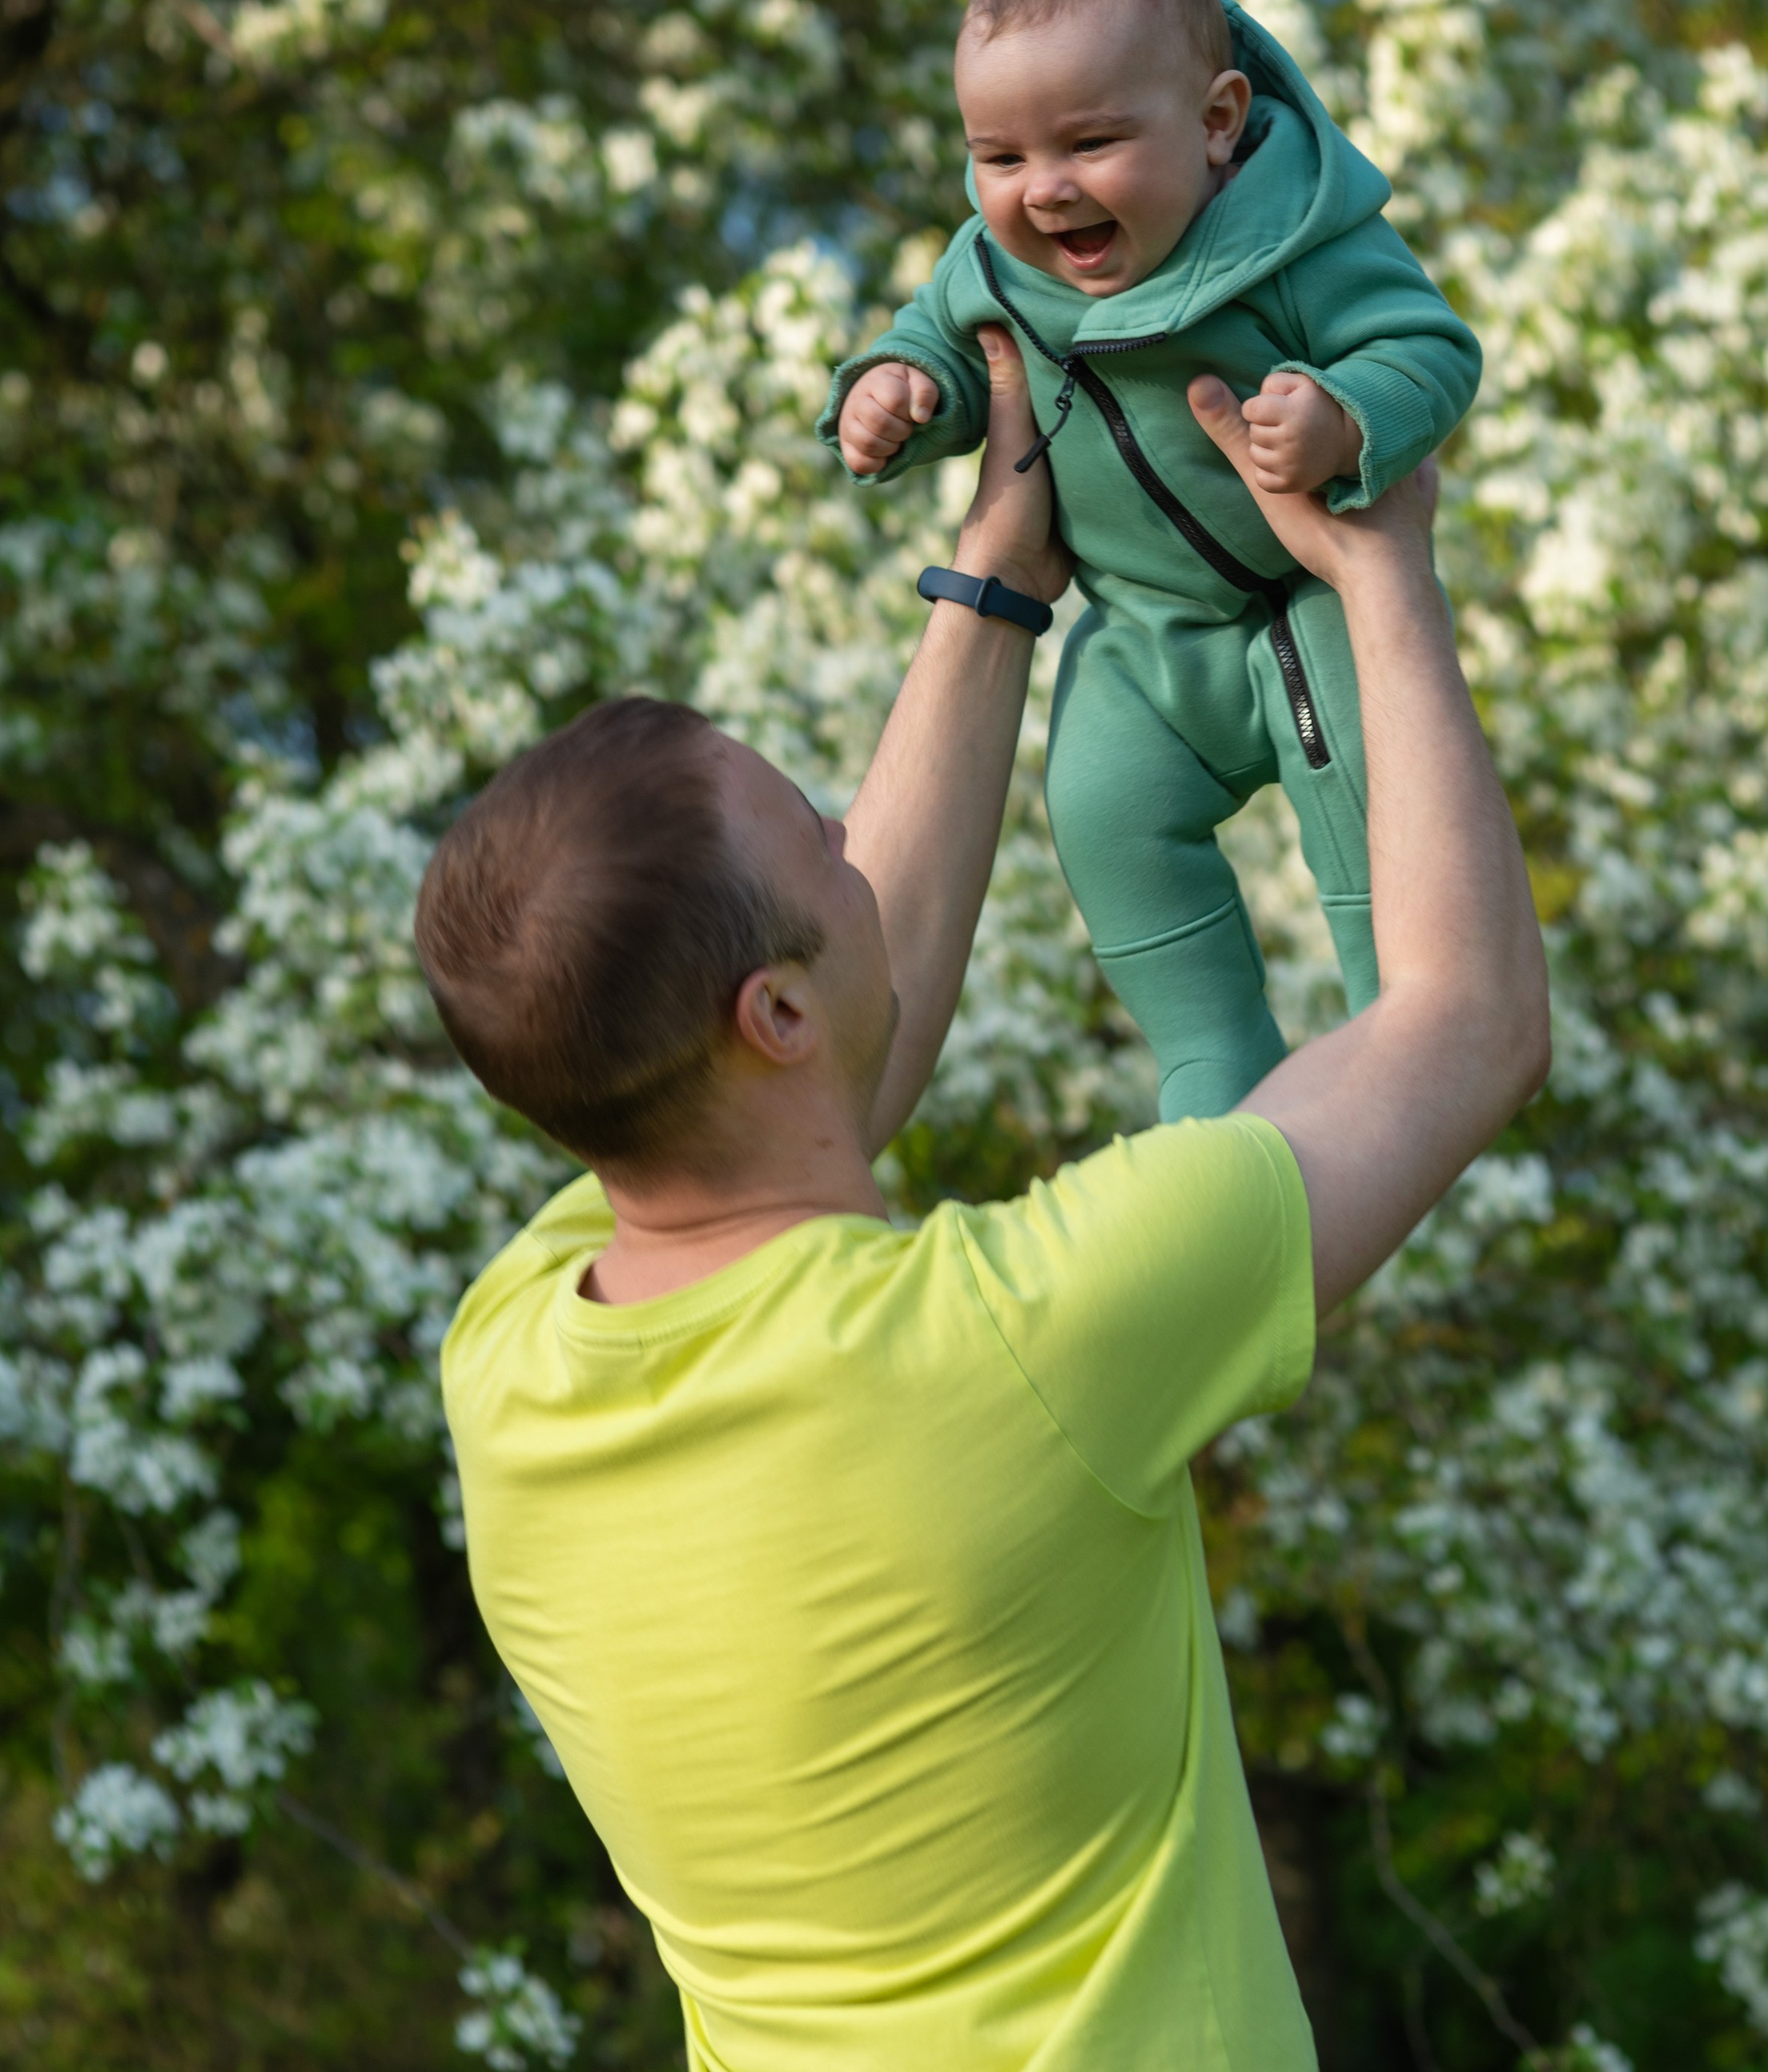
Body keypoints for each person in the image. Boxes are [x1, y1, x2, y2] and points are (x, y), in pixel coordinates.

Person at [425, 330, 1548, 2072]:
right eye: (814, 825)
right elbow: (1465, 1027)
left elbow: (826, 1088)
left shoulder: (512, 1364)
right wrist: (1380, 568)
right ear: (771, 1012)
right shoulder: (1022, 1344)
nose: (843, 831)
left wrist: (994, 578)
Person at [820, 0, 1482, 1117]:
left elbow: (1428, 347)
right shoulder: (993, 266)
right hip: (1138, 633)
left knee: (1370, 798)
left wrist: (1342, 414)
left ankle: (1406, 1031)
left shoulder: (1297, 235)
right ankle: (1211, 1056)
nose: (1044, 192)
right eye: (1001, 158)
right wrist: (894, 390)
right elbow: (939, 346)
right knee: (1101, 811)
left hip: (1303, 606)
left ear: (1219, 122)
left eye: (1091, 143)